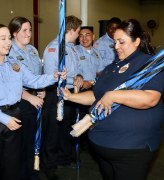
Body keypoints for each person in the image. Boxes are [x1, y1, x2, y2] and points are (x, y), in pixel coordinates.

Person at [61, 19, 164, 180]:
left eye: (121, 42)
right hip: (103, 147)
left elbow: (150, 98)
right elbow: (97, 96)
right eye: (115, 42)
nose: (116, 46)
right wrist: (71, 96)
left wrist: (114, 95)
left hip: (132, 149)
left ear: (137, 41)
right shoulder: (112, 66)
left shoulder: (148, 65)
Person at [0, 23, 66, 180]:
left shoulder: (14, 64)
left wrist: (54, 76)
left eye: (9, 38)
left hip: (15, 116)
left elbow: (33, 81)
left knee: (13, 166)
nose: (8, 42)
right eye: (2, 38)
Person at [40, 15, 82, 180]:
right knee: (52, 133)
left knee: (65, 130)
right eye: (78, 32)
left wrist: (78, 76)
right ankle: (47, 167)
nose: (78, 35)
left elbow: (74, 70)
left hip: (69, 93)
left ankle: (62, 159)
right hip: (56, 94)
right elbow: (52, 76)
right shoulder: (54, 48)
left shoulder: (71, 47)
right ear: (71, 30)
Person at [8, 16, 44, 180]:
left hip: (36, 99)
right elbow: (11, 84)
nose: (29, 34)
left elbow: (38, 74)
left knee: (33, 141)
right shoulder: (9, 52)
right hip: (20, 101)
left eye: (30, 30)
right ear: (15, 33)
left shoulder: (33, 50)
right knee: (22, 144)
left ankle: (32, 172)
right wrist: (30, 97)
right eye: (24, 30)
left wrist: (42, 89)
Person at [75, 26, 104, 90]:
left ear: (93, 37)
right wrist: (81, 82)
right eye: (81, 36)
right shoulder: (74, 51)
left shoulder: (97, 53)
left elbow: (100, 72)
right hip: (78, 88)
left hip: (95, 87)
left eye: (87, 35)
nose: (84, 38)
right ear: (78, 38)